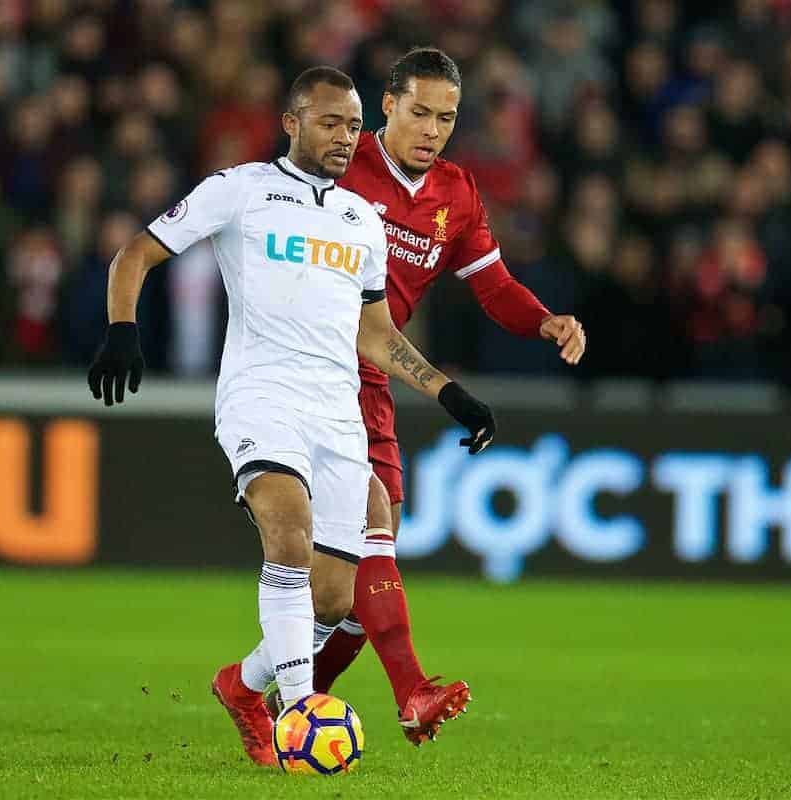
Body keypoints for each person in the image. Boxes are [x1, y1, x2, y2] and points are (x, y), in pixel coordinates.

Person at [85, 66, 496, 767]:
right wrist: (123, 328)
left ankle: (244, 686)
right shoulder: (239, 191)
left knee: (334, 600)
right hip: (261, 397)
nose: (346, 138)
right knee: (289, 538)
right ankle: (300, 718)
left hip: (338, 416)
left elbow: (375, 332)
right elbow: (137, 252)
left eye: (354, 125)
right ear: (294, 122)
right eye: (331, 122)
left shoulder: (359, 221)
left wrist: (447, 392)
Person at [311, 47, 586, 745]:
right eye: (422, 112)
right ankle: (411, 693)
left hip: (372, 374)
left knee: (354, 590)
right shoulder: (339, 167)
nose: (433, 129)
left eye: (448, 117)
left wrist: (543, 320)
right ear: (389, 106)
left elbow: (492, 285)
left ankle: (281, 694)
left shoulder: (456, 195)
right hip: (308, 366)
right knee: (371, 535)